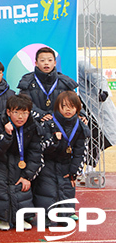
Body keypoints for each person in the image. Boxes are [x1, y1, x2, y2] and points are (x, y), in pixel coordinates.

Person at [0, 94, 44, 231]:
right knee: (1, 190)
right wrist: (6, 135)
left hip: (21, 161)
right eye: (16, 112)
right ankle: (3, 218)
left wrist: (28, 176)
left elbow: (36, 153)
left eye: (24, 113)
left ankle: (21, 217)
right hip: (0, 163)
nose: (20, 117)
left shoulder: (33, 127)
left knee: (22, 187)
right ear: (8, 112)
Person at [34, 91, 89, 225]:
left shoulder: (80, 127)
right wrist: (54, 141)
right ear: (57, 107)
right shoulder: (49, 123)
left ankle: (66, 214)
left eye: (71, 106)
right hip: (49, 162)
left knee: (67, 187)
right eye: (64, 106)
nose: (68, 109)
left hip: (67, 163)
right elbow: (41, 148)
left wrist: (74, 172)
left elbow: (80, 152)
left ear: (77, 108)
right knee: (47, 190)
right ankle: (45, 215)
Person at [17, 47, 78, 120]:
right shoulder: (27, 81)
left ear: (55, 63)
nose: (46, 63)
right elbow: (24, 102)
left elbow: (75, 101)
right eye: (42, 60)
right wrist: (41, 115)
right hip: (34, 123)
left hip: (60, 122)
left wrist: (82, 115)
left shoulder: (65, 81)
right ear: (36, 63)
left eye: (50, 60)